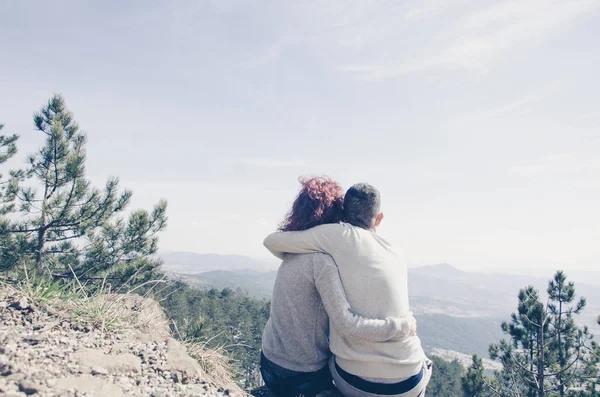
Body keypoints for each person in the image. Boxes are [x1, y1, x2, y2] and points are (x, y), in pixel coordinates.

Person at [264, 183, 431, 397]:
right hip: (410, 384)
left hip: (355, 384)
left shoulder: (335, 236)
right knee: (424, 360)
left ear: (342, 214)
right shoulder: (397, 250)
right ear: (379, 219)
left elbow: (272, 241)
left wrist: (297, 255)